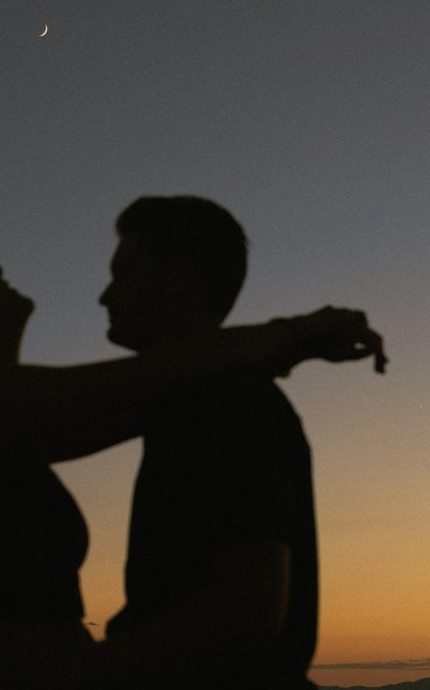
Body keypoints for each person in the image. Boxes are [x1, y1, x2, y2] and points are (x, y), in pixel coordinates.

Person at [0, 254, 383, 690]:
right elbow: (165, 372)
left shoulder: (1, 426)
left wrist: (288, 353)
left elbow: (164, 393)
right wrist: (302, 328)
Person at [92, 196, 381, 690]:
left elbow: (246, 610)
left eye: (123, 272)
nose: (105, 296)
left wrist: (70, 670)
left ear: (179, 278)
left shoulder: (227, 403)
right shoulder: (197, 400)